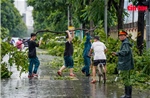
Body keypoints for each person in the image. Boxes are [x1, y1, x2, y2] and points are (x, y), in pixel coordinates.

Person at [112, 30, 134, 98]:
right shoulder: (125, 43)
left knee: (126, 79)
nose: (120, 37)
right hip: (127, 64)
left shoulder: (125, 43)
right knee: (127, 79)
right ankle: (128, 94)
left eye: (122, 36)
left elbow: (125, 52)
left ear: (125, 36)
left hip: (125, 64)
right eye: (120, 36)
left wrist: (117, 53)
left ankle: (127, 95)